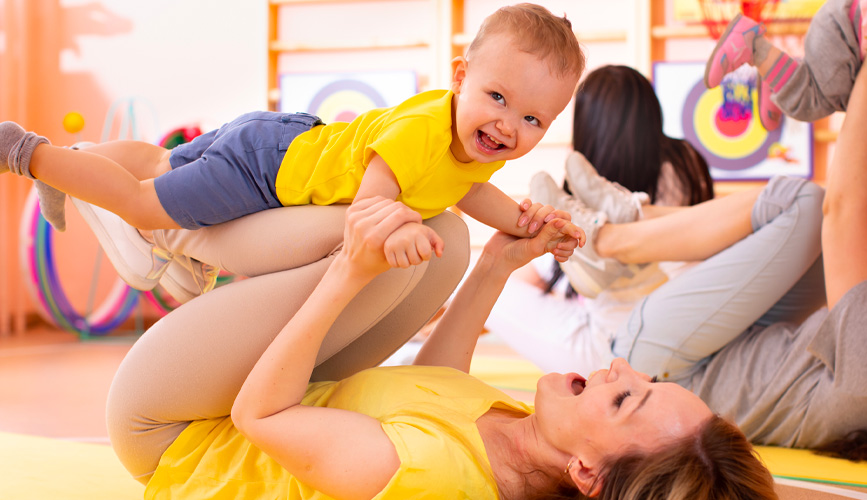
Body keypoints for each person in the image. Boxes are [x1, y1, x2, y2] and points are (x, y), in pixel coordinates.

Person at [105, 194, 778, 499]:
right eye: (644, 377)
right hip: (265, 393)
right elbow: (430, 394)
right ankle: (180, 240)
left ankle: (163, 233)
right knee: (445, 238)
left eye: (627, 397)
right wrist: (496, 264)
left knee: (377, 233)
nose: (618, 367)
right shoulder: (529, 446)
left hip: (176, 432)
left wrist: (349, 273)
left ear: (588, 474)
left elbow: (262, 418)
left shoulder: (432, 481)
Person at [532, 2, 867, 468]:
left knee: (807, 204)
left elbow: (842, 212)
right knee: (821, 216)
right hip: (747, 333)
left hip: (671, 367)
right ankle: (625, 216)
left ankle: (607, 240)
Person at [0, 3, 584, 301]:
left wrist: (533, 222)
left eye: (533, 118)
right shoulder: (420, 132)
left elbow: (470, 190)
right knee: (142, 205)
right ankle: (28, 152)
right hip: (263, 169)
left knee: (156, 163)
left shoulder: (476, 144)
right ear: (461, 76)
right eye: (498, 97)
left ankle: (80, 157)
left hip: (284, 138)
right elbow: (365, 216)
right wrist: (398, 229)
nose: (509, 126)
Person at [483, 65, 714, 374]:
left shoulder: (588, 172)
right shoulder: (686, 163)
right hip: (690, 328)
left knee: (486, 290)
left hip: (616, 348)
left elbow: (535, 274)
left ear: (587, 125)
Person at [705, 0, 867, 147]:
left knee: (848, 99)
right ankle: (756, 49)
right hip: (846, 34)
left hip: (847, 24)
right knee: (812, 103)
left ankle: (777, 71)